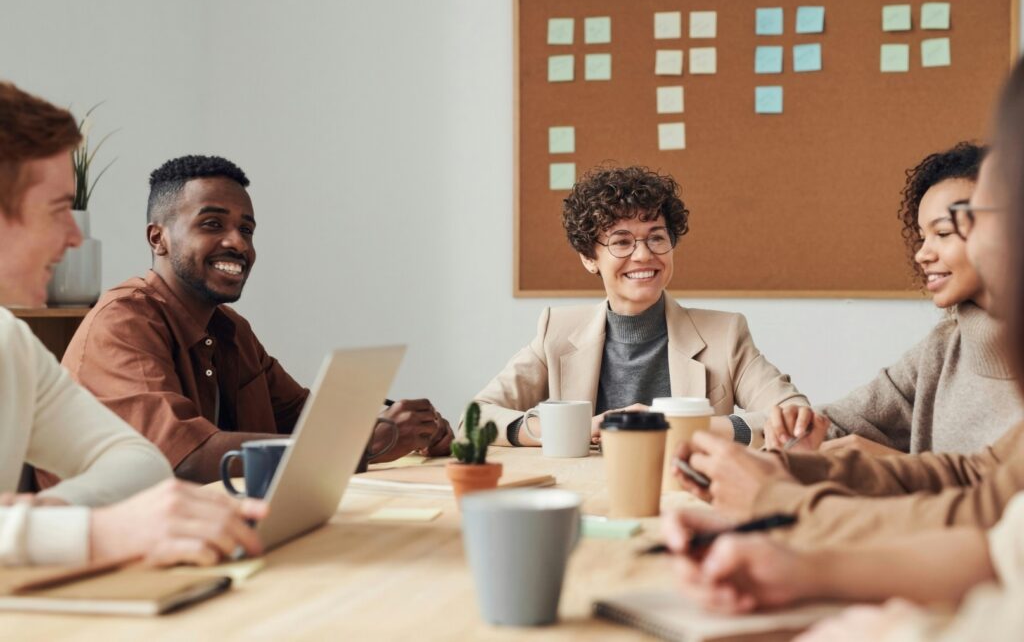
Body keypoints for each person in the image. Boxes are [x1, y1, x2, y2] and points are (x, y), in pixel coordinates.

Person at [663, 57, 1024, 641]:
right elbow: (980, 478)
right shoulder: (947, 341)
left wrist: (779, 500)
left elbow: (984, 515)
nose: (931, 251)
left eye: (972, 221)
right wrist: (787, 472)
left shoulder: (727, 328)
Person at [47, 155, 453, 486]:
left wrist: (403, 425)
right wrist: (362, 444)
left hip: (215, 529)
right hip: (118, 554)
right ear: (159, 239)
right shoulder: (123, 321)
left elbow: (301, 416)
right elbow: (186, 457)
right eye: (212, 224)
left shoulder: (230, 328)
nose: (238, 243)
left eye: (247, 229)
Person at [0, 80, 264, 566]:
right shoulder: (123, 316)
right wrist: (90, 532)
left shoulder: (11, 343)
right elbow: (173, 460)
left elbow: (141, 464)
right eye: (60, 210)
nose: (75, 239)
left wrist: (44, 520)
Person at [475, 165, 809, 448]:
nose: (644, 254)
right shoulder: (557, 331)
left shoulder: (725, 333)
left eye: (656, 237)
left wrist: (679, 427)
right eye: (621, 241)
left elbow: (795, 416)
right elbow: (477, 417)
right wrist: (575, 429)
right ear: (589, 258)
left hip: (686, 494)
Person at [765, 142, 1020, 456]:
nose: (922, 254)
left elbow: (1000, 494)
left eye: (942, 234)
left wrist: (887, 462)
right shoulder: (942, 347)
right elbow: (840, 423)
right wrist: (800, 428)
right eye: (922, 236)